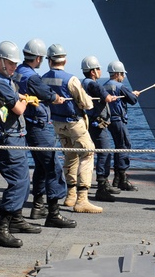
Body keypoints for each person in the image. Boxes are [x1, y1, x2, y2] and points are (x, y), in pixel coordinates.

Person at [0, 41, 42, 247]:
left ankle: (16, 219)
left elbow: (13, 97)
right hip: (8, 137)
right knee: (18, 183)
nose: (14, 67)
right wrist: (27, 101)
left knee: (24, 179)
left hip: (14, 136)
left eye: (15, 63)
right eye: (10, 63)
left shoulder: (1, 78)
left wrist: (21, 96)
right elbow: (18, 109)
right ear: (0, 61)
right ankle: (2, 228)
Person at [13, 39, 76, 228]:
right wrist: (57, 98)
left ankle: (38, 206)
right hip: (37, 125)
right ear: (39, 58)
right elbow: (47, 94)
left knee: (41, 165)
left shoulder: (18, 72)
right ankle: (54, 214)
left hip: (27, 125)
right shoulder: (31, 77)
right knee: (53, 166)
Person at [41, 44, 101, 213]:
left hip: (58, 124)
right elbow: (87, 104)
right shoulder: (71, 79)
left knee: (70, 155)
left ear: (49, 61)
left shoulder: (43, 79)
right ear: (65, 60)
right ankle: (82, 199)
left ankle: (70, 195)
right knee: (88, 153)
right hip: (74, 123)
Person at [81, 56, 120, 202]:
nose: (100, 71)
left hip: (88, 123)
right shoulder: (94, 85)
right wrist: (111, 97)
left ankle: (103, 184)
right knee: (104, 152)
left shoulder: (82, 83)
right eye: (98, 68)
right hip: (97, 124)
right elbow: (107, 98)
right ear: (92, 71)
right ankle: (102, 186)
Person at [103, 60, 140, 192]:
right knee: (124, 145)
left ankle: (117, 178)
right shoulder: (120, 86)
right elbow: (133, 100)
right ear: (118, 74)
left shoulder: (105, 86)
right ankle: (122, 178)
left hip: (109, 120)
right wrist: (134, 94)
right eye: (122, 74)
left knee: (119, 146)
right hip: (118, 120)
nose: (123, 77)